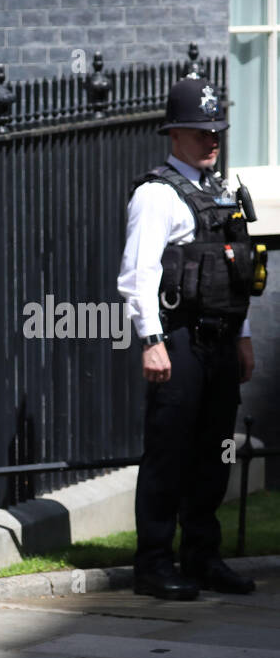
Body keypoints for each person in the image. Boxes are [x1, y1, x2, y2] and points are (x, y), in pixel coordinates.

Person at [117, 76, 260, 600]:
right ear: (175, 133)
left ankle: (203, 555)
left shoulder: (219, 191)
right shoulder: (157, 196)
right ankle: (153, 562)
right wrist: (150, 340)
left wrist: (243, 335)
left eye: (216, 130)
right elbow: (138, 274)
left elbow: (235, 274)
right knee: (168, 453)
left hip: (221, 339)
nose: (212, 140)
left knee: (214, 452)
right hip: (177, 340)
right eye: (202, 132)